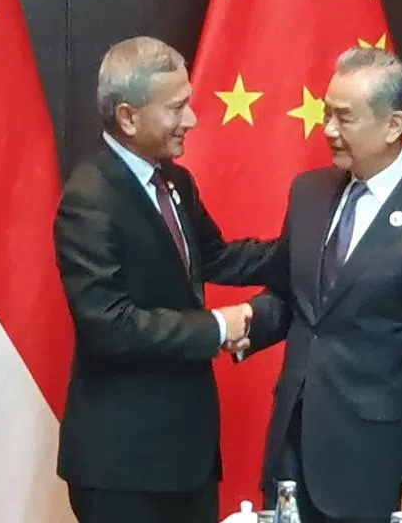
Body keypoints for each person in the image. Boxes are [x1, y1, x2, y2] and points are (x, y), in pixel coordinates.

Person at [244, 47, 402, 523]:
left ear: (393, 126)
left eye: (344, 118)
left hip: (375, 464)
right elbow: (303, 303)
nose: (328, 129)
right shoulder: (309, 193)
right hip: (294, 449)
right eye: (326, 113)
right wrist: (244, 321)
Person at [54, 36, 273, 523]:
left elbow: (216, 257)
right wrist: (218, 327)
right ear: (129, 117)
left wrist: (310, 244)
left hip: (186, 460)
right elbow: (109, 326)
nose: (191, 120)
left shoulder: (175, 181)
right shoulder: (89, 200)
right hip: (124, 470)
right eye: (177, 108)